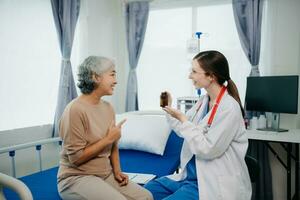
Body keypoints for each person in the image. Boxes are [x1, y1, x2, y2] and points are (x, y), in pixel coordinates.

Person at [145, 50, 252, 200]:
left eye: (194, 71)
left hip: (209, 183)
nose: (190, 75)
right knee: (145, 192)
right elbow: (185, 130)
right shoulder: (204, 101)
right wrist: (169, 110)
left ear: (211, 76)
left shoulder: (229, 108)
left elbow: (207, 149)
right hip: (189, 178)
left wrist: (183, 120)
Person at [57, 56, 153, 200]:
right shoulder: (75, 110)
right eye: (112, 74)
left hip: (104, 174)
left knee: (146, 197)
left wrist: (117, 171)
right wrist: (108, 139)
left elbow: (113, 145)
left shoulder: (108, 108)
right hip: (76, 178)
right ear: (96, 77)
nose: (116, 80)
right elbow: (76, 159)